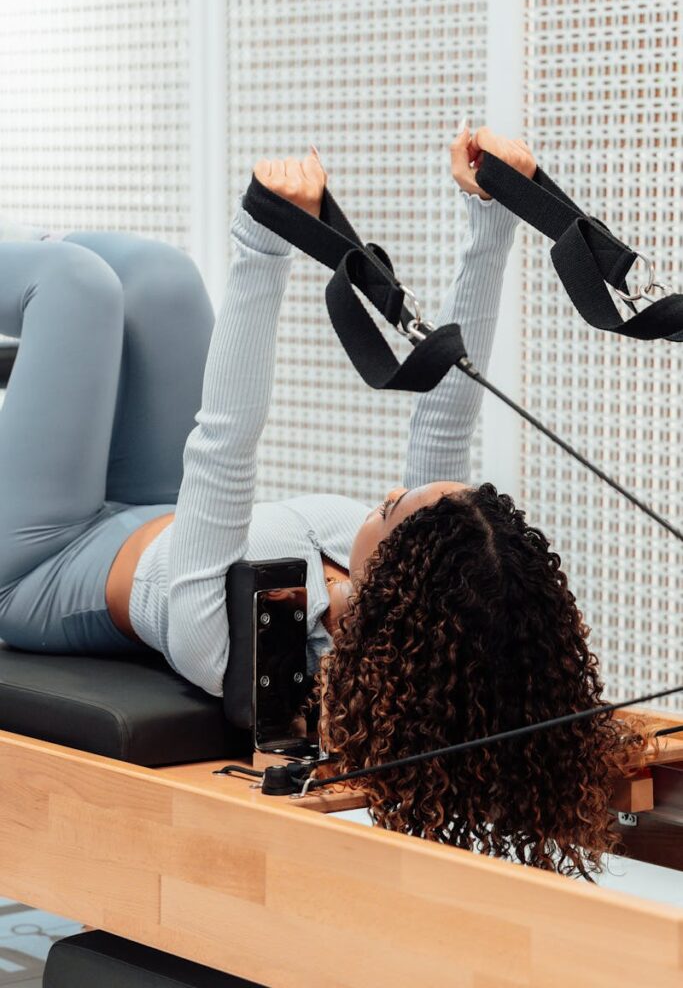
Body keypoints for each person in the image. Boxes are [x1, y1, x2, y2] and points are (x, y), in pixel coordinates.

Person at [0, 126, 635, 877]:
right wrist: (491, 218)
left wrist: (262, 246)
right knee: (160, 277)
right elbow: (446, 406)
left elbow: (224, 442)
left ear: (393, 585)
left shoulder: (245, 641)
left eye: (392, 506)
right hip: (151, 506)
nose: (391, 489)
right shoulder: (389, 569)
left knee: (74, 284)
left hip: (38, 559)